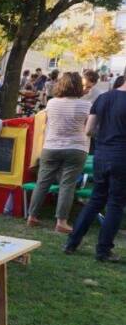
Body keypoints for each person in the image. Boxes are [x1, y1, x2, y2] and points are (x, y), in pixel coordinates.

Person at [64, 77, 126, 261]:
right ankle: (103, 250)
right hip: (122, 156)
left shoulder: (103, 98)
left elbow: (89, 130)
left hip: (102, 154)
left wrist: (107, 134)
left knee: (95, 200)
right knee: (115, 204)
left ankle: (72, 243)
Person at [26, 72, 91, 233]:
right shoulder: (86, 105)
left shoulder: (52, 103)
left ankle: (32, 216)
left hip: (51, 146)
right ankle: (61, 221)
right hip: (76, 147)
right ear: (78, 87)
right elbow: (89, 127)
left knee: (42, 182)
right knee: (67, 184)